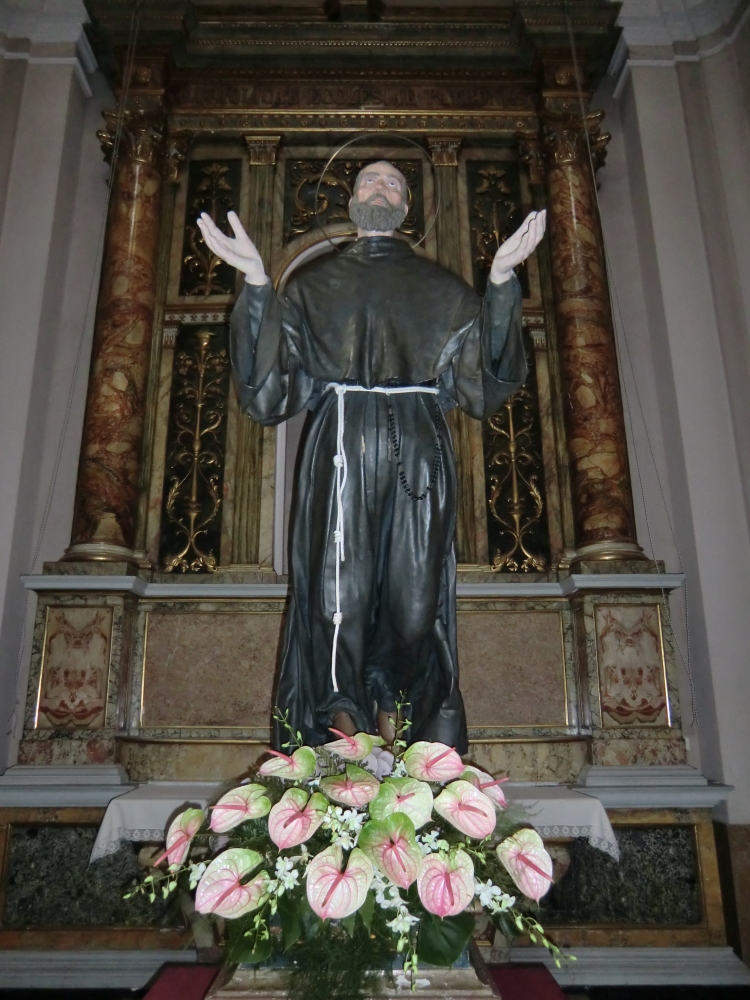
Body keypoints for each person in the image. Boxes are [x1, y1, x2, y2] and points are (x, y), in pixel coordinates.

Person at [197, 160, 546, 753]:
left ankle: (405, 737)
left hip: (419, 449)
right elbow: (269, 393)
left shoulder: (442, 290)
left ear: (406, 206)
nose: (378, 188)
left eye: (392, 183)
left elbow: (484, 384)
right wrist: (257, 286)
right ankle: (338, 742)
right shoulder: (310, 288)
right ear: (351, 199)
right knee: (339, 597)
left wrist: (504, 281)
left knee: (416, 602)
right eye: (368, 180)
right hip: (340, 446)